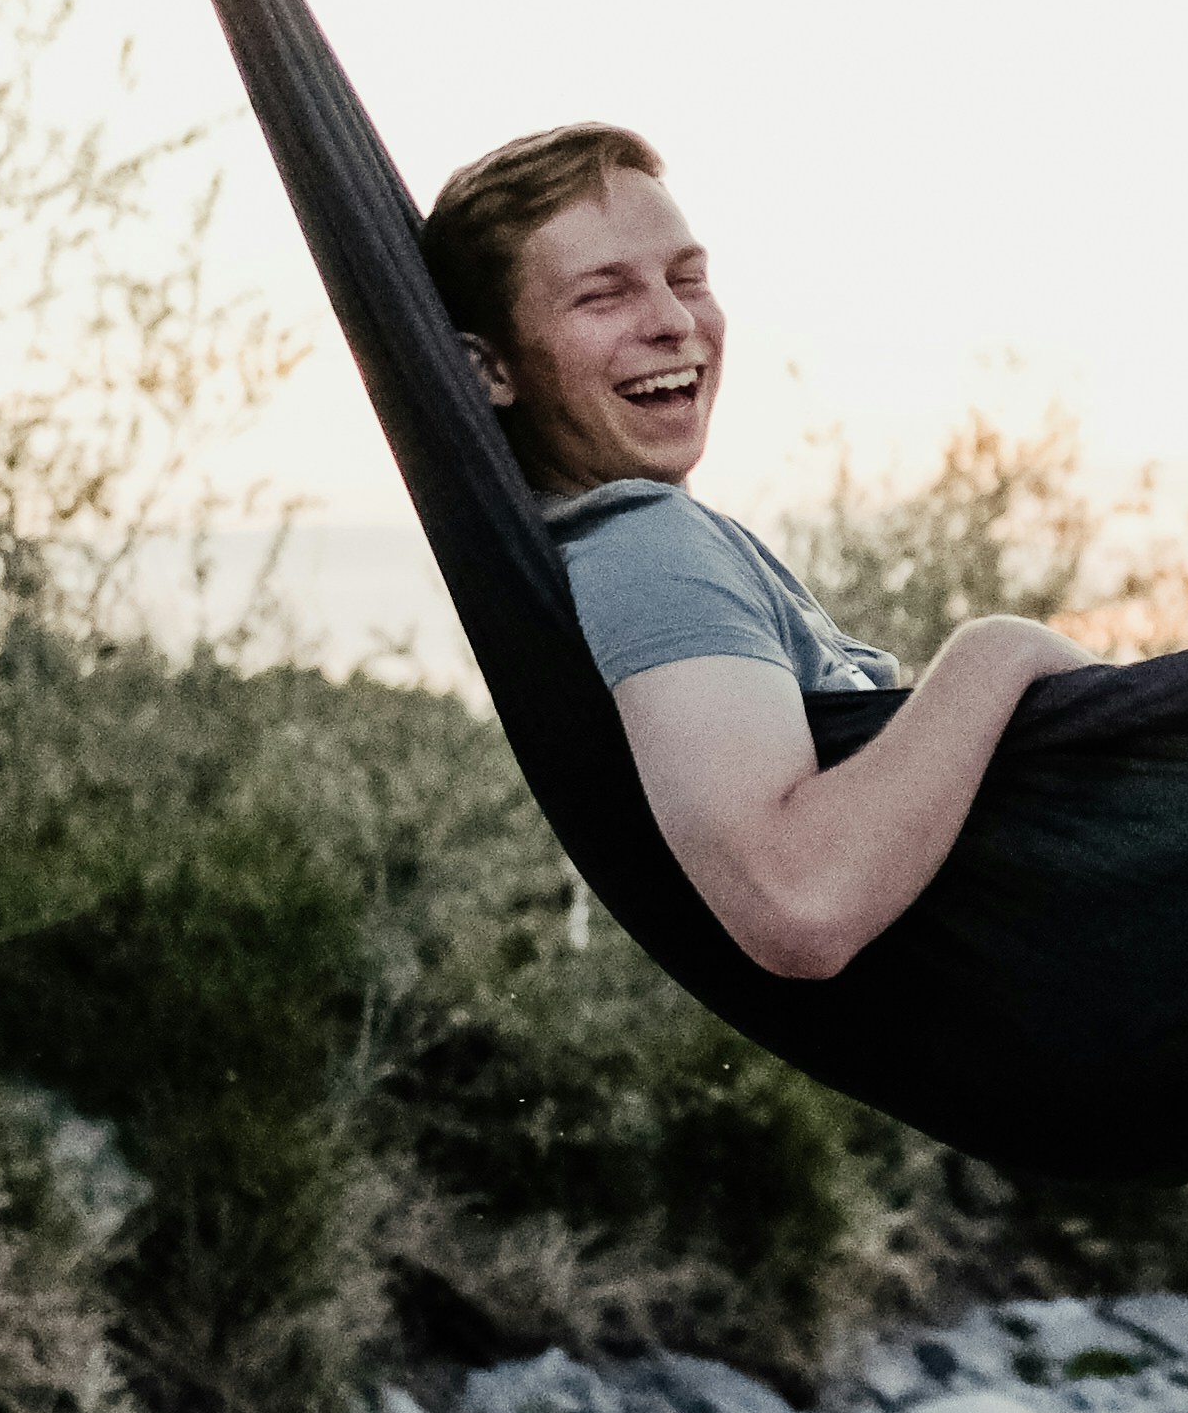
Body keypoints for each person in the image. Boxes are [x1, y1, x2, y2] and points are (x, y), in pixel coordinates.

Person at [420, 124, 1081, 982]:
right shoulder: (647, 547)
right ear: (490, 371)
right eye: (603, 296)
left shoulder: (643, 541)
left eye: (687, 279)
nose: (671, 320)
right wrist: (1002, 651)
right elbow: (796, 902)